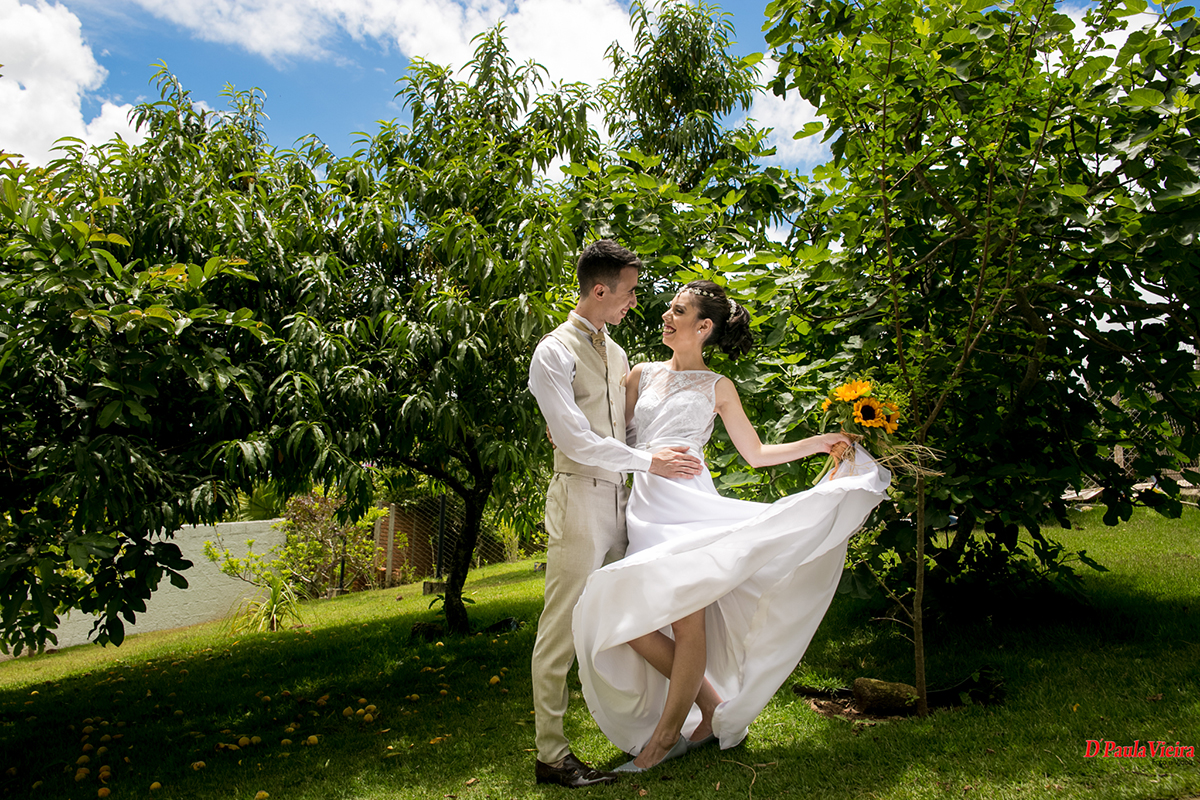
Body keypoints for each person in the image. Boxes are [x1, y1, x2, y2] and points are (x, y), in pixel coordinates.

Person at [572, 280, 892, 772]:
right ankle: (711, 705)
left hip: (690, 507)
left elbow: (757, 453)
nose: (665, 315)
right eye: (668, 307)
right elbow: (617, 436)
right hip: (646, 506)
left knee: (686, 618)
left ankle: (662, 742)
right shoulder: (640, 374)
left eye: (677, 310)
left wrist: (817, 441)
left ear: (703, 326)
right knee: (626, 617)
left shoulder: (718, 386)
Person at [527, 240, 704, 788]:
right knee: (560, 630)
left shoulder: (620, 354)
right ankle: (551, 755)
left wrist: (668, 446)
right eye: (628, 292)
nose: (634, 301)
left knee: (633, 617)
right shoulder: (551, 354)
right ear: (599, 290)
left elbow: (625, 431)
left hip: (625, 501)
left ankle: (680, 719)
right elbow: (578, 443)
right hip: (579, 498)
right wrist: (648, 460)